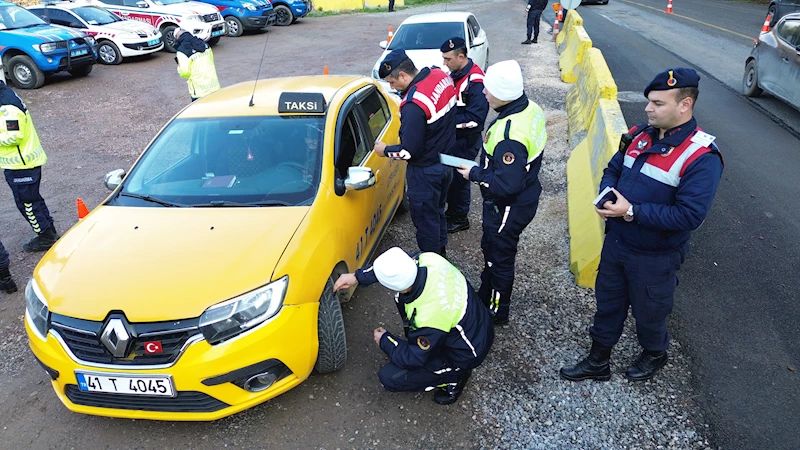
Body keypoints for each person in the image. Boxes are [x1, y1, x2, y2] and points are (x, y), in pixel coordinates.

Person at [560, 68, 724, 382]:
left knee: (650, 313)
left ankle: (654, 353)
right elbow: (613, 168)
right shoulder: (638, 135)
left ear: (684, 105)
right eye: (649, 101)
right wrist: (607, 197)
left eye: (658, 103)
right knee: (608, 302)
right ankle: (598, 360)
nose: (648, 108)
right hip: (618, 243)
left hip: (655, 255)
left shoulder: (701, 157)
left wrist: (631, 210)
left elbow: (689, 216)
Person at [333, 247, 494, 405]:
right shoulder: (429, 259)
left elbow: (413, 358)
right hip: (477, 323)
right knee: (405, 308)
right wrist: (357, 277)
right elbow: (394, 265)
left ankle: (454, 378)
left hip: (466, 353)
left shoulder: (429, 315)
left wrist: (386, 341)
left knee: (390, 377)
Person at [456, 60, 547, 325]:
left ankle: (497, 310)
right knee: (492, 250)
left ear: (502, 94)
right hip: (525, 195)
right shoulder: (531, 109)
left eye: (488, 89)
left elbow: (507, 186)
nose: (484, 93)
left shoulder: (510, 135)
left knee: (500, 256)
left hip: (508, 206)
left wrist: (475, 173)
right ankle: (486, 292)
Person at [374, 49, 456, 257]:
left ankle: (433, 264)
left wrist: (385, 151)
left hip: (425, 172)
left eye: (392, 82)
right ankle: (442, 252)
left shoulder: (413, 104)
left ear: (403, 75)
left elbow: (408, 152)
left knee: (426, 222)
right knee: (437, 213)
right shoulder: (439, 76)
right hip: (446, 160)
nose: (391, 87)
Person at [0, 80, 58, 253]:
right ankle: (49, 230)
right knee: (33, 199)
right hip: (23, 163)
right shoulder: (5, 95)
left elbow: (14, 137)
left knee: (27, 203)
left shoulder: (7, 107)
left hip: (21, 165)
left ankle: (45, 237)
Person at [440, 37, 490, 233]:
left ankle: (460, 218)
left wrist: (444, 122)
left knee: (460, 180)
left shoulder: (476, 81)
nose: (445, 63)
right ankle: (452, 212)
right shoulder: (455, 73)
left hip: (465, 142)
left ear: (461, 57)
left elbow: (475, 119)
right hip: (454, 140)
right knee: (451, 180)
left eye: (448, 59)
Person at [174, 28, 220, 102]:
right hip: (215, 87)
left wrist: (179, 67)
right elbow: (211, 60)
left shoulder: (182, 51)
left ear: (177, 37)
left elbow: (184, 73)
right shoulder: (204, 44)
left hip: (199, 92)